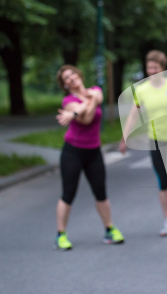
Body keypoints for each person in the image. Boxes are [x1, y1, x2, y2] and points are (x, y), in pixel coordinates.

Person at [119, 50, 167, 237]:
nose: (151, 70)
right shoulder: (141, 90)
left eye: (155, 67)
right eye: (149, 67)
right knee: (162, 180)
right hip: (156, 140)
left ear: (162, 68)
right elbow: (134, 115)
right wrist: (124, 137)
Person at [54, 65, 124, 251]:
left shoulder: (95, 90)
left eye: (72, 74)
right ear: (65, 85)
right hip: (73, 151)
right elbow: (86, 119)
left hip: (94, 151)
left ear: (79, 74)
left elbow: (94, 101)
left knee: (100, 192)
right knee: (68, 193)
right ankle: (60, 235)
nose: (71, 78)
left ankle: (109, 229)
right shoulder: (68, 100)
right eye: (66, 79)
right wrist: (85, 106)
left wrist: (77, 111)